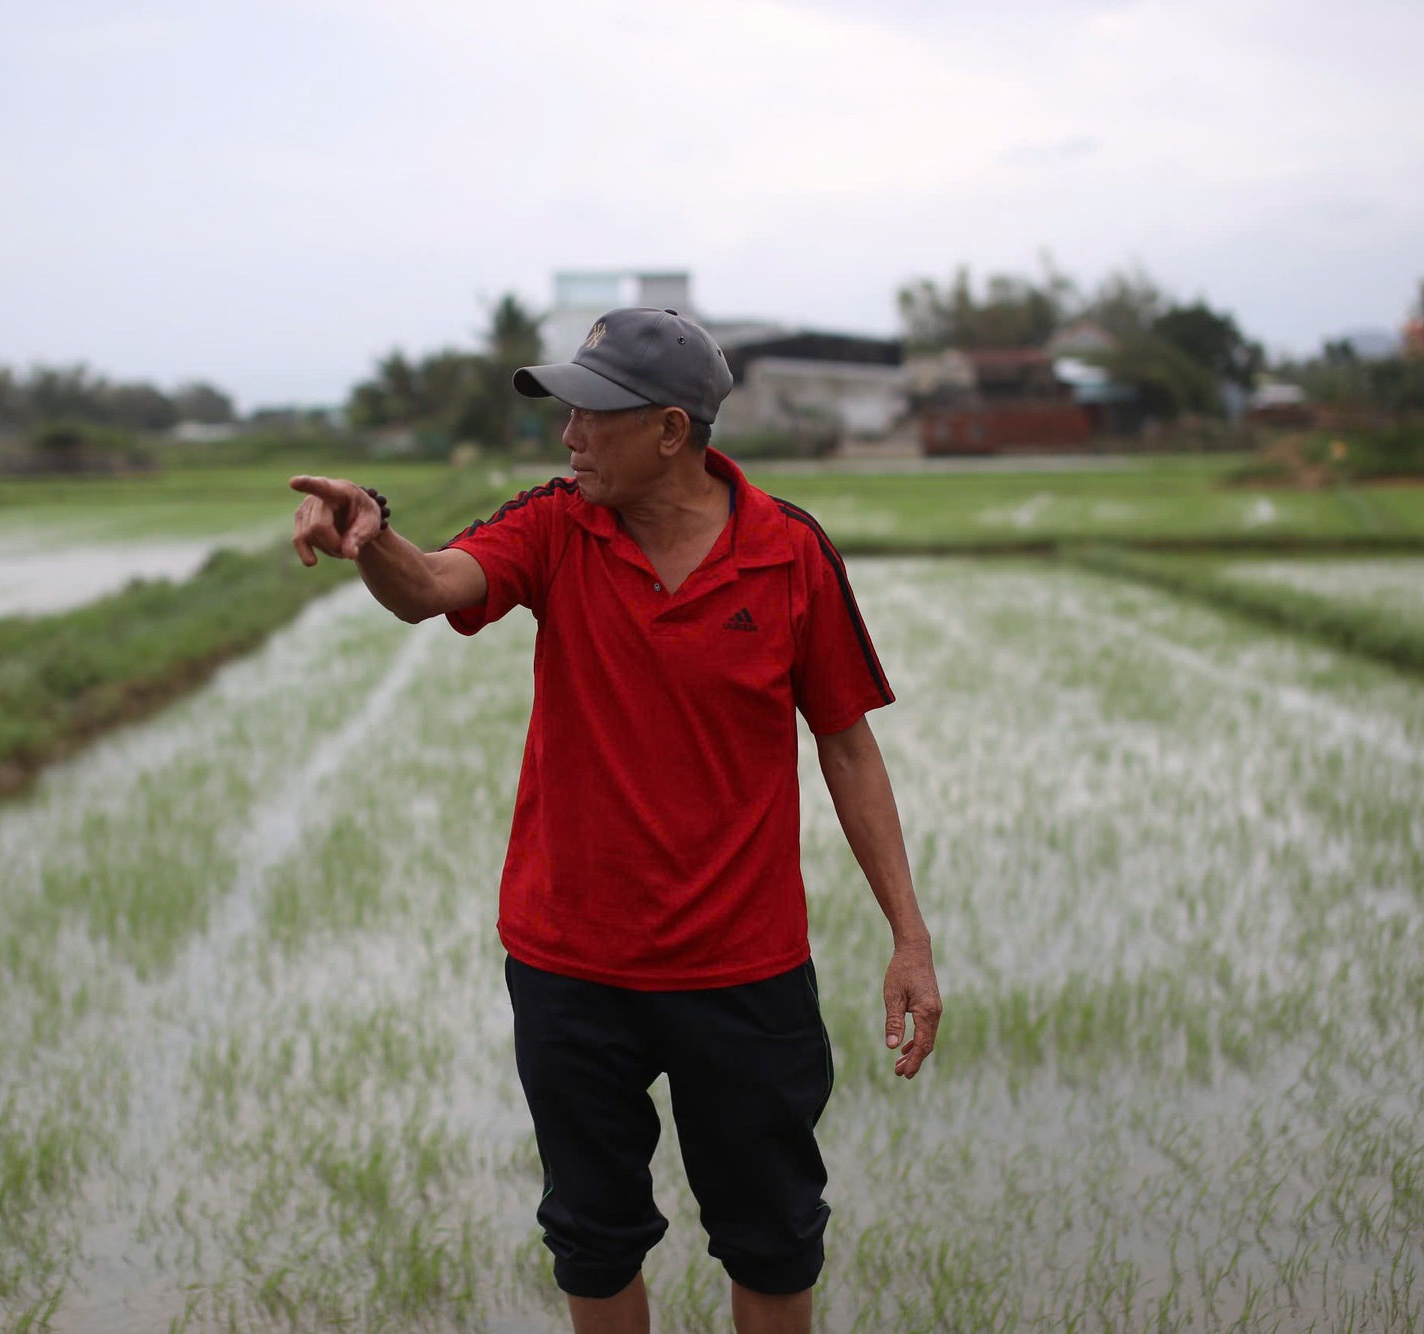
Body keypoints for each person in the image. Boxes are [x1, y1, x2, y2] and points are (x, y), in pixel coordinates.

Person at [289, 306, 940, 1334]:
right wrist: (371, 533)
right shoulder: (553, 525)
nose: (568, 436)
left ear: (670, 430)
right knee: (592, 1240)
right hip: (572, 967)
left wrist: (907, 934)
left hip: (744, 968)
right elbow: (431, 587)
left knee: (772, 1237)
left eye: (590, 413)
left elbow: (847, 744)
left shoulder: (786, 554)